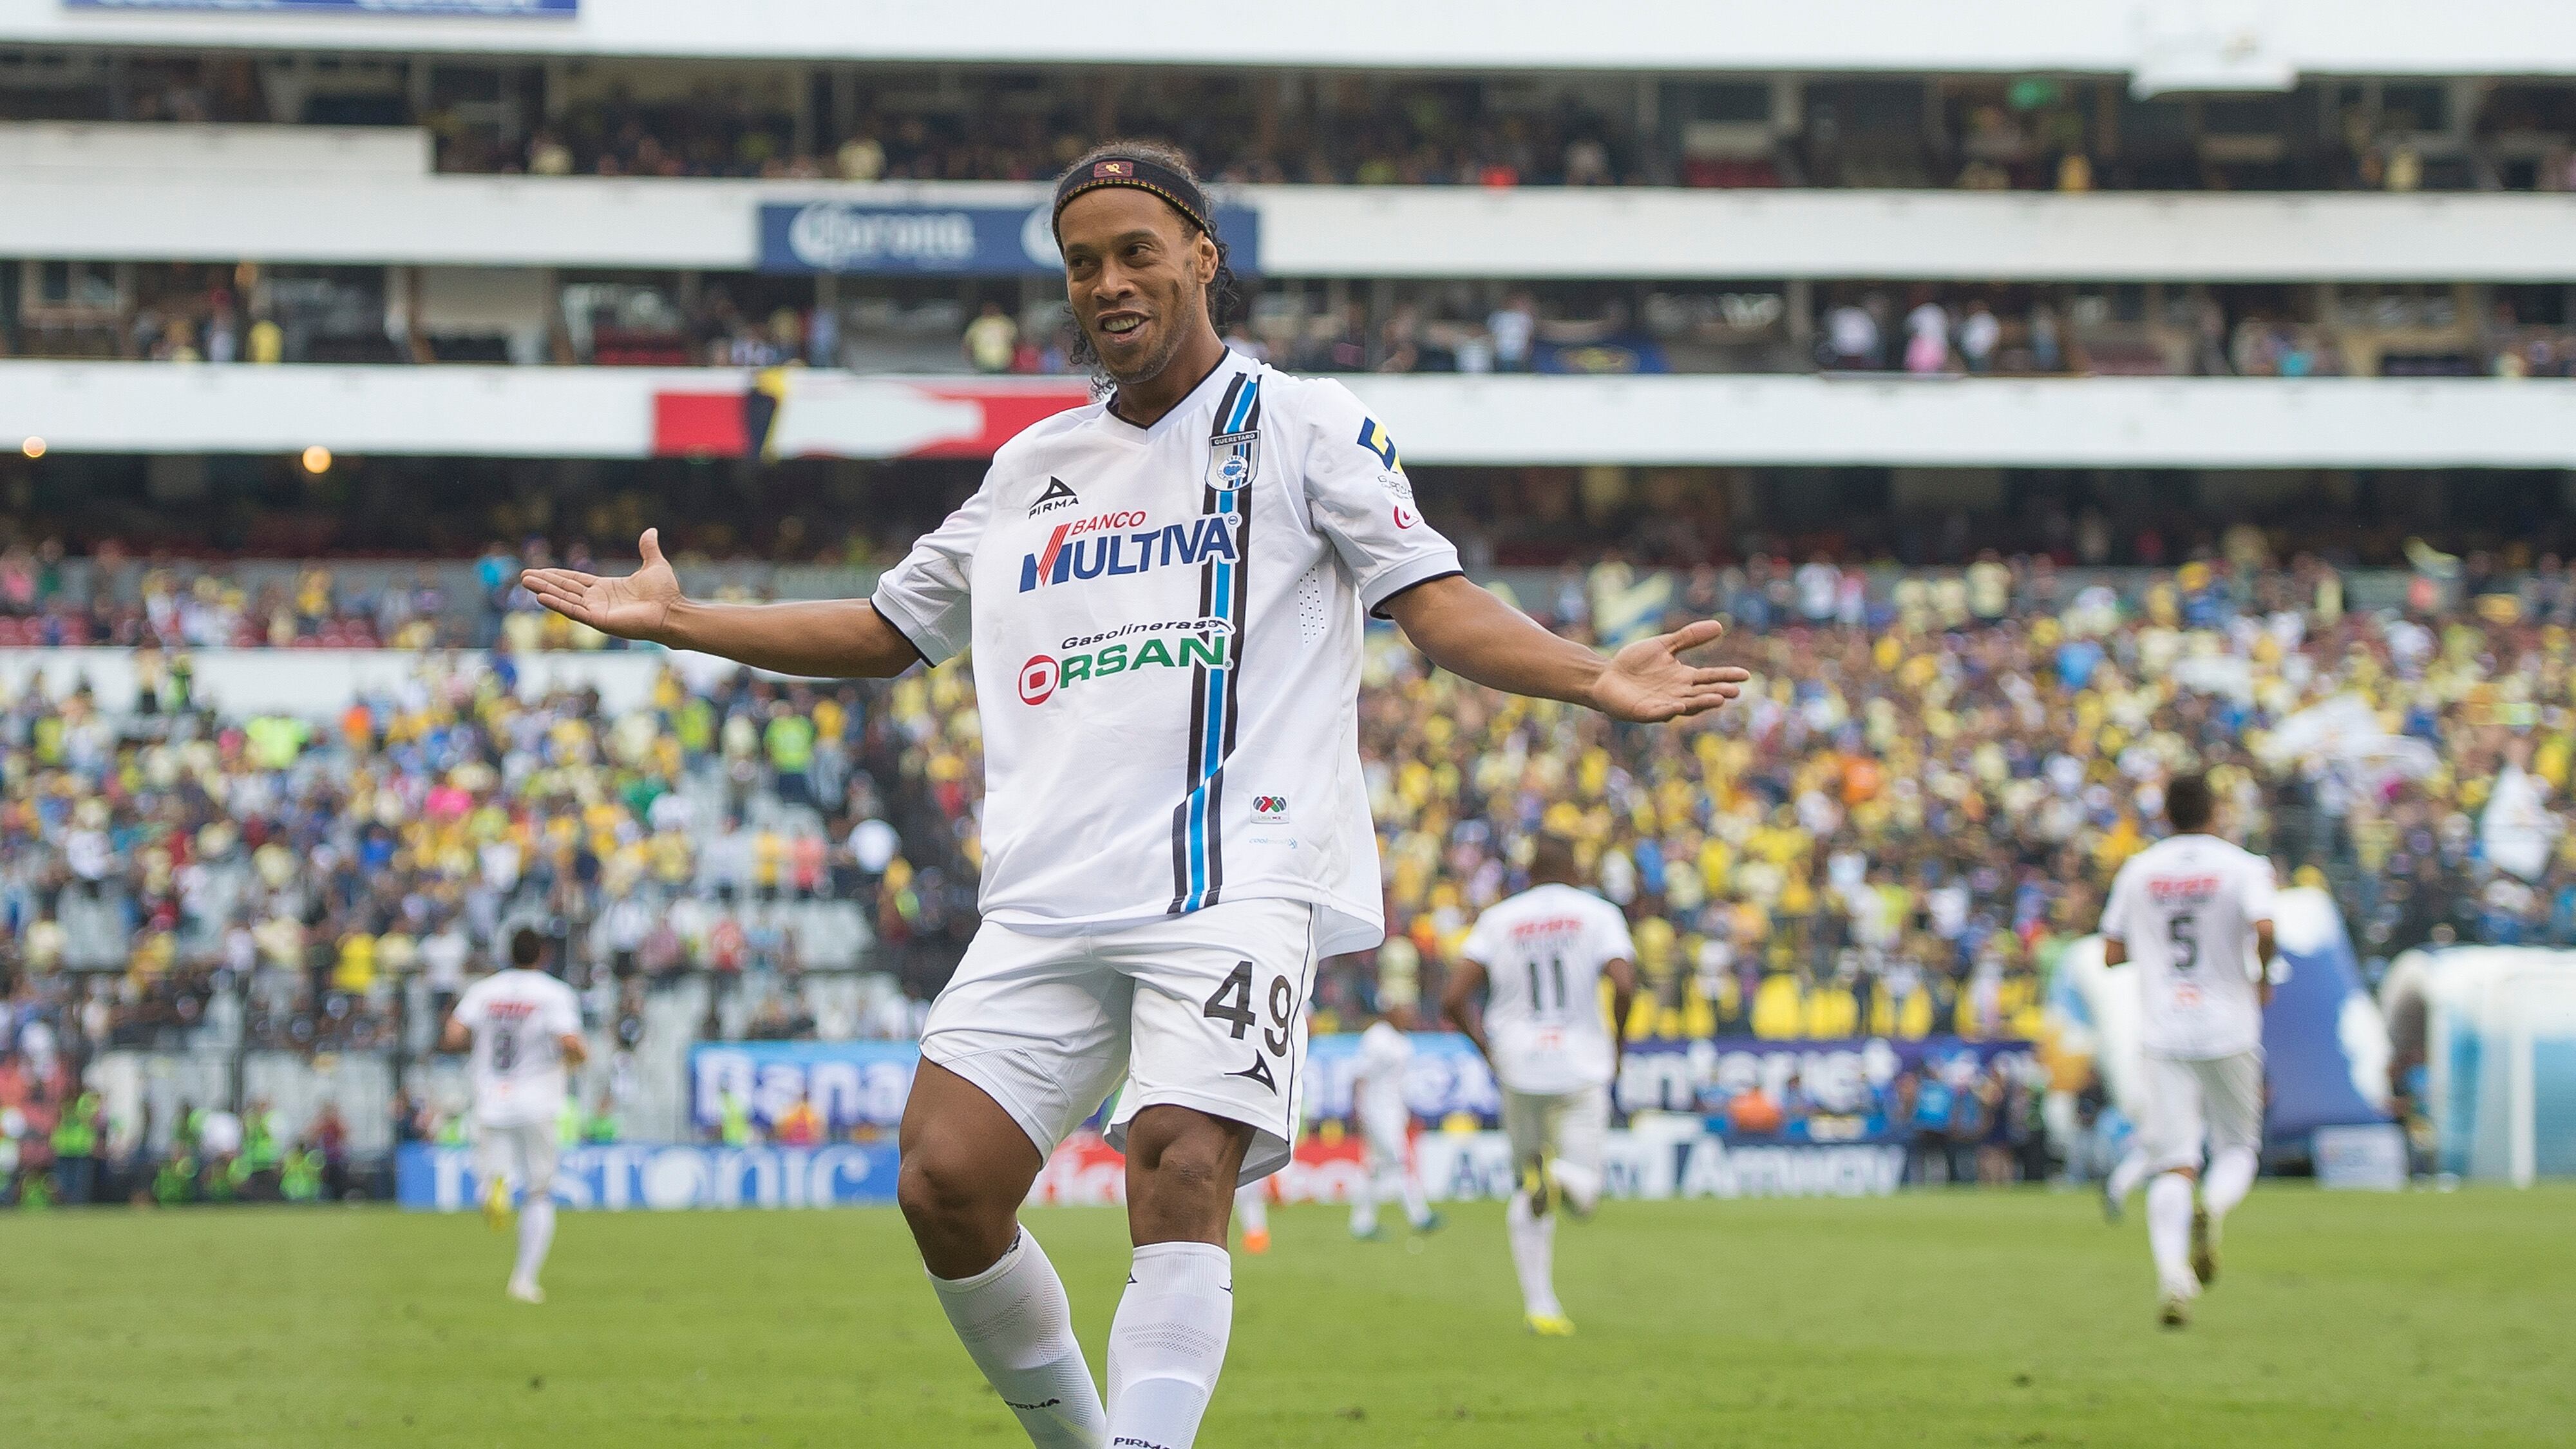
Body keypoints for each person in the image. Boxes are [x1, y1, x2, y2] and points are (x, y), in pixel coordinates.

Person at [521, 139, 1747, 1449]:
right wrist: (686, 620)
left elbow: (1433, 608)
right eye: (1082, 262)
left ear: (1201, 259)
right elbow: (887, 629)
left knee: (1176, 1157)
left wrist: (1585, 674)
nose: (1106, 282)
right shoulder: (1029, 468)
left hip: (1238, 875)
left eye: (1134, 253)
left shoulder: (1306, 426)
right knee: (943, 1181)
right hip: (1052, 888)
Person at [2098, 773, 2278, 1330]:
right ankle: (2215, 1207)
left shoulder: (2139, 870)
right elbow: (2266, 927)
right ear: (2214, 811)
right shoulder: (2243, 866)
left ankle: (2174, 1277)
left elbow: (2110, 951)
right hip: (2229, 1025)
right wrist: (2262, 972)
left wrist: (2152, 952)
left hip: (2163, 1029)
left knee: (2172, 1162)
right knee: (2238, 1147)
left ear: (2165, 815)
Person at [1443, 833, 1639, 1336]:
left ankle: (1541, 1305)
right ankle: (1559, 1181)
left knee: (1527, 1183)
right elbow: (1624, 983)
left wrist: (1490, 1052)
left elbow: (1452, 998)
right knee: (1584, 1192)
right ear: (1574, 867)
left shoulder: (1499, 918)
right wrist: (1616, 1044)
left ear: (1529, 871)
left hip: (1519, 1065)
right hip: (1580, 1064)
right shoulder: (1597, 913)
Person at [440, 927, 589, 1305]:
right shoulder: (553, 993)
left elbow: (454, 1034)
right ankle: (523, 1280)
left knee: (492, 1174)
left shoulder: (485, 990)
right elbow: (570, 1042)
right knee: (539, 1191)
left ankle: (494, 1188)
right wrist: (575, 1060)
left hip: (492, 1096)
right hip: (537, 1099)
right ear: (543, 954)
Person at [1346, 1008, 1439, 1240]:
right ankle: (1420, 1216)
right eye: (1402, 1010)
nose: (1408, 1015)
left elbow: (1401, 1084)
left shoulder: (1403, 1041)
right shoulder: (1377, 1037)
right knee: (1400, 1160)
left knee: (1375, 1167)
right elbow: (1359, 1075)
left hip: (1394, 1113)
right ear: (1390, 1011)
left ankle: (1362, 1224)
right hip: (1375, 1111)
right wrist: (1357, 1110)